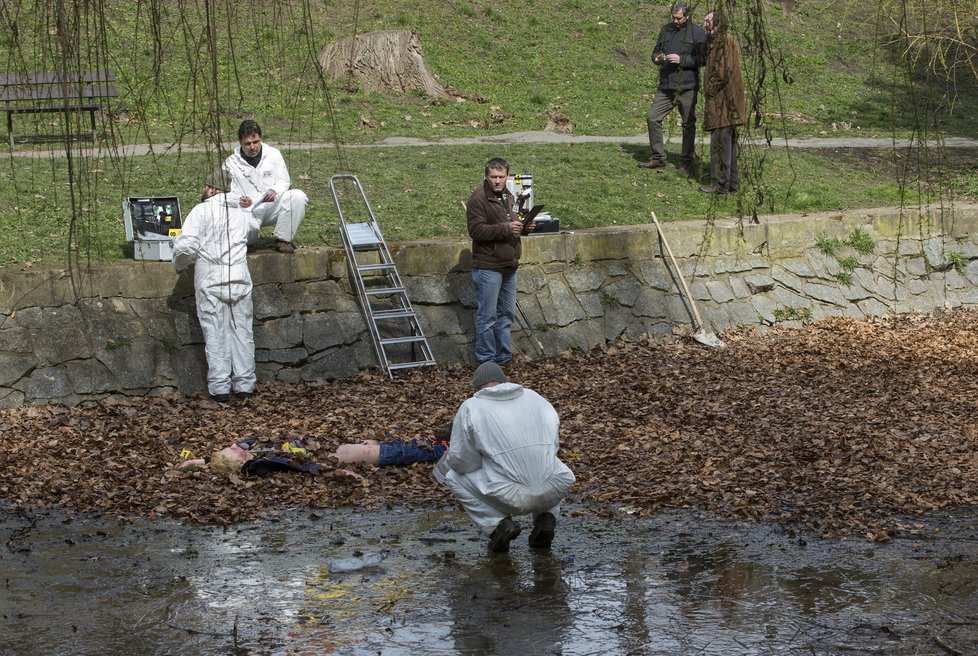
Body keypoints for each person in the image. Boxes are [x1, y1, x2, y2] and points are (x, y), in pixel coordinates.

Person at [435, 362, 575, 553]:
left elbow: (462, 462)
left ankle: (498, 526)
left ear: (477, 387)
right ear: (503, 381)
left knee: (452, 476)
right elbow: (553, 446)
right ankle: (546, 519)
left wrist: (487, 461)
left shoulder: (471, 407)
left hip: (509, 495)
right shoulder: (536, 398)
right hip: (553, 489)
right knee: (548, 463)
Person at [173, 169, 260, 403]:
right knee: (242, 330)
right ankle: (245, 385)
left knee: (215, 331)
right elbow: (254, 232)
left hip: (211, 277)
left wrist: (179, 265)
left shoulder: (201, 211)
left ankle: (220, 388)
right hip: (240, 276)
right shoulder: (242, 211)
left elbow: (186, 247)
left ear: (211, 188)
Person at [467, 158, 535, 365]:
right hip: (488, 266)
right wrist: (507, 228)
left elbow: (512, 225)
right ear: (486, 176)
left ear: (507, 176)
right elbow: (476, 231)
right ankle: (487, 360)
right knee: (487, 317)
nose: (497, 181)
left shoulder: (508, 196)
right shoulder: (478, 199)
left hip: (509, 264)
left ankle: (503, 357)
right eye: (493, 177)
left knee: (506, 314)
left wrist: (525, 228)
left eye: (501, 177)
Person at [639, 1, 707, 176]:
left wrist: (682, 60)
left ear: (688, 15)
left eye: (679, 18)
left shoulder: (698, 33)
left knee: (688, 124)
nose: (676, 21)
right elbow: (655, 52)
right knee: (653, 117)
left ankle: (686, 162)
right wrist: (657, 58)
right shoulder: (666, 30)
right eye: (674, 18)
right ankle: (658, 158)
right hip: (666, 85)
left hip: (687, 86)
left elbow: (704, 59)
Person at [224, 119, 308, 254]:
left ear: (260, 139)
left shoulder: (273, 154)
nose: (252, 147)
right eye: (247, 144)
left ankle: (283, 240)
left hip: (271, 206)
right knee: (246, 233)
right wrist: (238, 200)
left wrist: (274, 191)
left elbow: (284, 181)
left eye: (255, 142)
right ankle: (246, 242)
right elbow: (224, 193)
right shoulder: (230, 163)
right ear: (240, 142)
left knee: (298, 196)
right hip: (247, 210)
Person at [699, 9, 746, 195]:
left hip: (723, 104)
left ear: (717, 24)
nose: (704, 24)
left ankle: (721, 185)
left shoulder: (723, 41)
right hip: (727, 105)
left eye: (707, 22)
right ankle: (732, 185)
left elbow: (722, 71)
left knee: (719, 145)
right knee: (728, 145)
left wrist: (709, 91)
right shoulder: (720, 41)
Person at [335, 424, 452, 466]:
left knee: (412, 448)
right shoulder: (325, 464)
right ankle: (442, 447)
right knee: (412, 452)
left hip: (388, 447)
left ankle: (438, 444)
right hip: (389, 453)